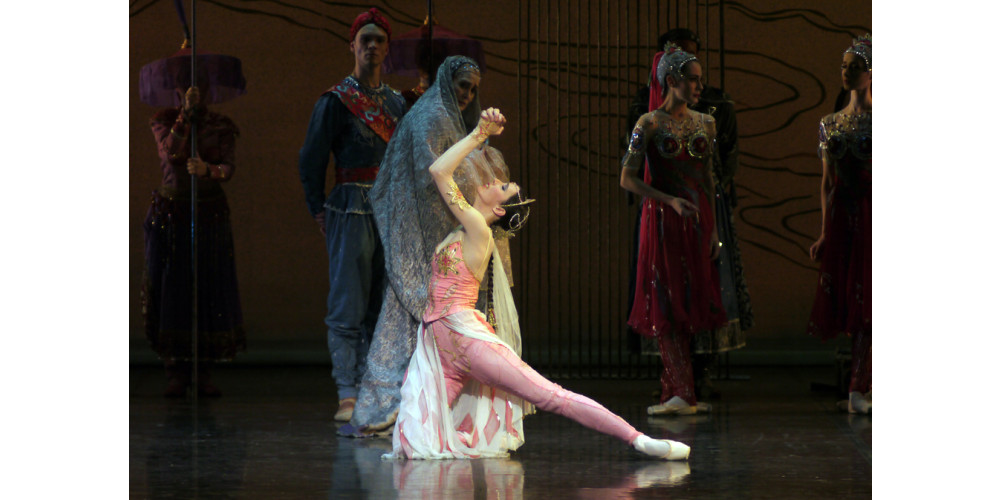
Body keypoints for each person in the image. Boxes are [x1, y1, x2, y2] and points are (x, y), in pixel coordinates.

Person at [386, 107, 690, 461]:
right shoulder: (462, 229)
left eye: (500, 186)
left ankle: (638, 439)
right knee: (412, 443)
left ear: (500, 210)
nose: (490, 181)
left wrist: (480, 134)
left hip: (465, 337)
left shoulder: (478, 230)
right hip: (438, 344)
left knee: (550, 396)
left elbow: (439, 170)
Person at [342, 55, 506, 437]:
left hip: (435, 238)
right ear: (446, 81)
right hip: (420, 239)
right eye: (462, 85)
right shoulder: (432, 116)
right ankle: (392, 408)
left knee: (414, 322)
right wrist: (483, 188)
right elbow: (438, 175)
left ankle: (409, 411)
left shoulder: (447, 118)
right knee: (410, 320)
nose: (466, 94)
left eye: (472, 88)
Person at [625, 29, 752, 399]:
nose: (700, 86)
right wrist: (667, 199)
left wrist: (712, 231)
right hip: (663, 220)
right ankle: (677, 388)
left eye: (700, 79)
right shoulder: (647, 124)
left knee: (695, 296)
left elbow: (710, 177)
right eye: (693, 79)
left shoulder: (706, 123)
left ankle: (689, 384)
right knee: (665, 297)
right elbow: (626, 178)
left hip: (699, 221)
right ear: (672, 80)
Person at [298, 8, 407, 422]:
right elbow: (311, 159)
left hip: (389, 211)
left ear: (387, 48)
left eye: (380, 40)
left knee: (384, 303)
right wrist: (317, 208)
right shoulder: (336, 101)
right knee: (349, 301)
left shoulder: (398, 103)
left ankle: (378, 388)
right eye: (366, 40)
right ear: (353, 46)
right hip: (349, 207)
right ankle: (347, 391)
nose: (373, 46)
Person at [142, 84, 245, 397]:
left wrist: (208, 170)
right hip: (172, 212)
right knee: (174, 287)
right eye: (186, 88)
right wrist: (185, 117)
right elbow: (171, 153)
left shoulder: (221, 125)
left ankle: (203, 370)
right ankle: (175, 369)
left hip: (208, 211)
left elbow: (228, 167)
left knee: (207, 286)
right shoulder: (163, 120)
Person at [807, 34, 871, 414]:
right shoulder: (830, 123)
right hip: (844, 216)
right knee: (852, 300)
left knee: (870, 301)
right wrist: (824, 231)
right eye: (844, 67)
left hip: (872, 214)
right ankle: (859, 386)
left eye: (855, 67)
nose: (847, 72)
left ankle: (860, 387)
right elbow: (826, 183)